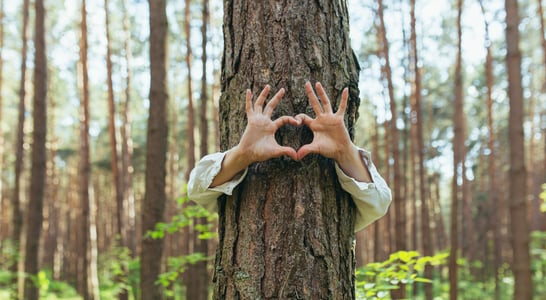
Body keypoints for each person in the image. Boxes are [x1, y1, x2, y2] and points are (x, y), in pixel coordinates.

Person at [188, 81, 391, 231]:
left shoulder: (360, 202)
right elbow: (196, 188)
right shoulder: (221, 193)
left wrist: (345, 152)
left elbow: (380, 202)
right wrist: (242, 155)